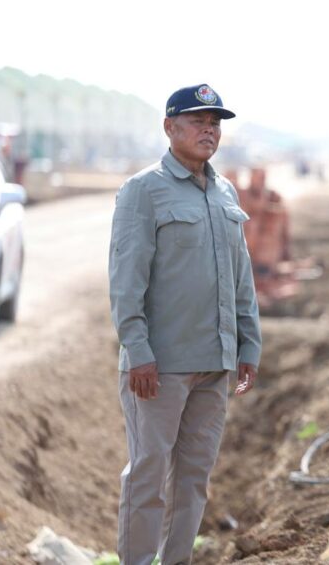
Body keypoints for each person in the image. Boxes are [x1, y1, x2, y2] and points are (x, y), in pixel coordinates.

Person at [109, 84, 261, 565]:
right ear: (169, 127)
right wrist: (138, 351)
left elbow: (241, 277)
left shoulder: (224, 192)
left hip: (214, 363)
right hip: (160, 367)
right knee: (149, 474)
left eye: (214, 124)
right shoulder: (143, 190)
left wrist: (249, 345)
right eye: (197, 121)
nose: (208, 130)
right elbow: (126, 281)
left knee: (194, 480)